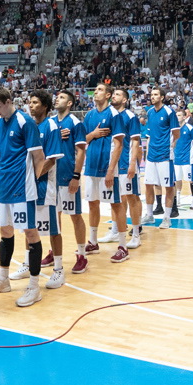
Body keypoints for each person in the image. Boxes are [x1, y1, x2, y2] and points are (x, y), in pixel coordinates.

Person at [0, 86, 48, 307]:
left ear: (9, 101)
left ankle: (34, 287)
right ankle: (3, 279)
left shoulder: (25, 122)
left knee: (30, 232)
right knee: (5, 230)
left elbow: (39, 157)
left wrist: (35, 186)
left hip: (23, 187)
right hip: (4, 187)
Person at [12, 90, 66, 289]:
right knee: (29, 227)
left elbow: (51, 159)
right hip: (29, 187)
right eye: (30, 102)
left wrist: (33, 177)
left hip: (46, 187)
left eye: (35, 102)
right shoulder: (29, 126)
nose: (31, 105)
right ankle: (28, 263)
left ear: (45, 106)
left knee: (53, 230)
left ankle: (59, 270)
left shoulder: (51, 126)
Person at [45, 89, 89, 275]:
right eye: (57, 96)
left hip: (67, 176)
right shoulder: (49, 123)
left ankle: (81, 254)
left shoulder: (75, 123)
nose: (57, 99)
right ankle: (54, 251)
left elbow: (81, 151)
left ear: (70, 103)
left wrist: (76, 176)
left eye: (62, 97)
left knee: (75, 215)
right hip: (51, 178)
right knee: (54, 217)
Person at [82, 82, 121, 253]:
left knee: (115, 204)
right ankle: (93, 241)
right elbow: (83, 140)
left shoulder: (114, 114)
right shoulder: (89, 115)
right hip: (90, 166)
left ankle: (122, 245)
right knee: (92, 203)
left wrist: (111, 170)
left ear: (108, 95)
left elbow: (119, 144)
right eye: (95, 90)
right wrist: (93, 135)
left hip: (107, 167)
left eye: (99, 90)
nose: (95, 92)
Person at [141, 86, 180, 228]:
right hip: (151, 155)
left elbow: (176, 134)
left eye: (156, 94)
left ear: (162, 97)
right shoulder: (150, 112)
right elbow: (150, 134)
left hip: (165, 155)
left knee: (168, 187)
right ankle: (150, 215)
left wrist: (170, 147)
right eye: (151, 94)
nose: (152, 97)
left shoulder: (170, 112)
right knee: (148, 185)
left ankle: (167, 218)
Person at [111, 88, 143, 253]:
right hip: (113, 164)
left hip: (126, 163)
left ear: (124, 100)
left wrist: (133, 163)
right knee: (115, 199)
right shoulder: (110, 115)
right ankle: (115, 230)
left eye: (117, 94)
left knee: (132, 197)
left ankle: (136, 233)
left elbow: (136, 142)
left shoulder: (130, 116)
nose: (113, 96)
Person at [171, 107, 193, 215]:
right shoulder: (173, 130)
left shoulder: (190, 128)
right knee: (177, 180)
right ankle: (177, 198)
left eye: (179, 115)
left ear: (185, 117)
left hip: (188, 160)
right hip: (176, 159)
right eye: (176, 115)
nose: (177, 117)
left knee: (192, 180)